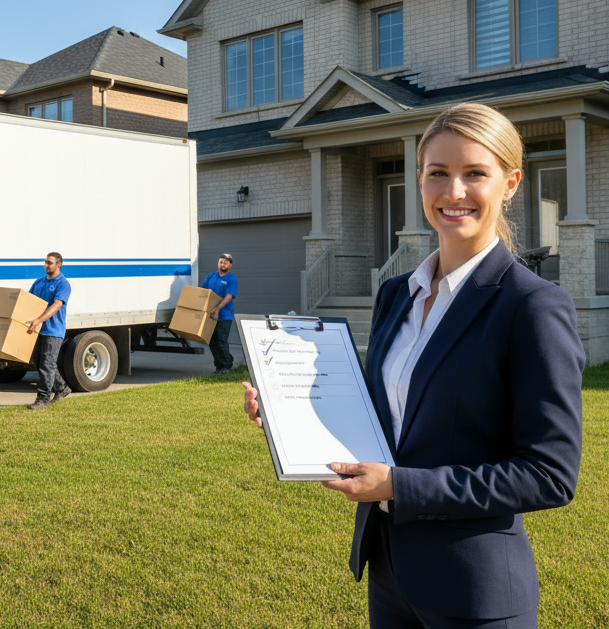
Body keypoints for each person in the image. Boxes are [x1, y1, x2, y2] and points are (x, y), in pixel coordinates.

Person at [242, 102, 584, 628]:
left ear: (511, 183)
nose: (453, 192)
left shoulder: (532, 305)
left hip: (474, 590)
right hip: (389, 572)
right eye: (438, 173)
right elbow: (385, 413)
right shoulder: (397, 293)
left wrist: (401, 486)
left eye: (475, 174)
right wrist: (289, 412)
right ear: (419, 179)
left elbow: (549, 474)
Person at [26, 251, 72, 410]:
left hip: (53, 330)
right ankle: (62, 388)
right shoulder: (39, 283)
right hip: (39, 330)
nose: (46, 265)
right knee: (39, 363)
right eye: (45, 262)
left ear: (58, 265)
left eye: (49, 263)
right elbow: (28, 302)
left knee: (47, 364)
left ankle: (43, 398)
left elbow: (57, 304)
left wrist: (39, 319)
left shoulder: (63, 283)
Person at [200, 253, 239, 374]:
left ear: (230, 265)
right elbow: (203, 292)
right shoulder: (210, 276)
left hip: (224, 316)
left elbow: (228, 297)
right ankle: (219, 366)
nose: (222, 264)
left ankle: (226, 366)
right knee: (212, 340)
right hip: (210, 315)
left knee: (221, 340)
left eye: (225, 262)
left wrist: (217, 309)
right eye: (221, 261)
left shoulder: (231, 278)